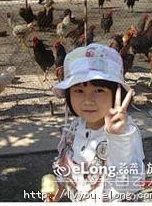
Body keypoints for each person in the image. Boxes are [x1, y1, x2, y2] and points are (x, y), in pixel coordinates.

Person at [48, 44, 144, 202]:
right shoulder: (75, 126)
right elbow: (69, 163)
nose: (88, 101)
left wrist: (117, 138)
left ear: (116, 93)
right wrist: (60, 186)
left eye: (99, 90)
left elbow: (127, 184)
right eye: (78, 90)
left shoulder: (126, 133)